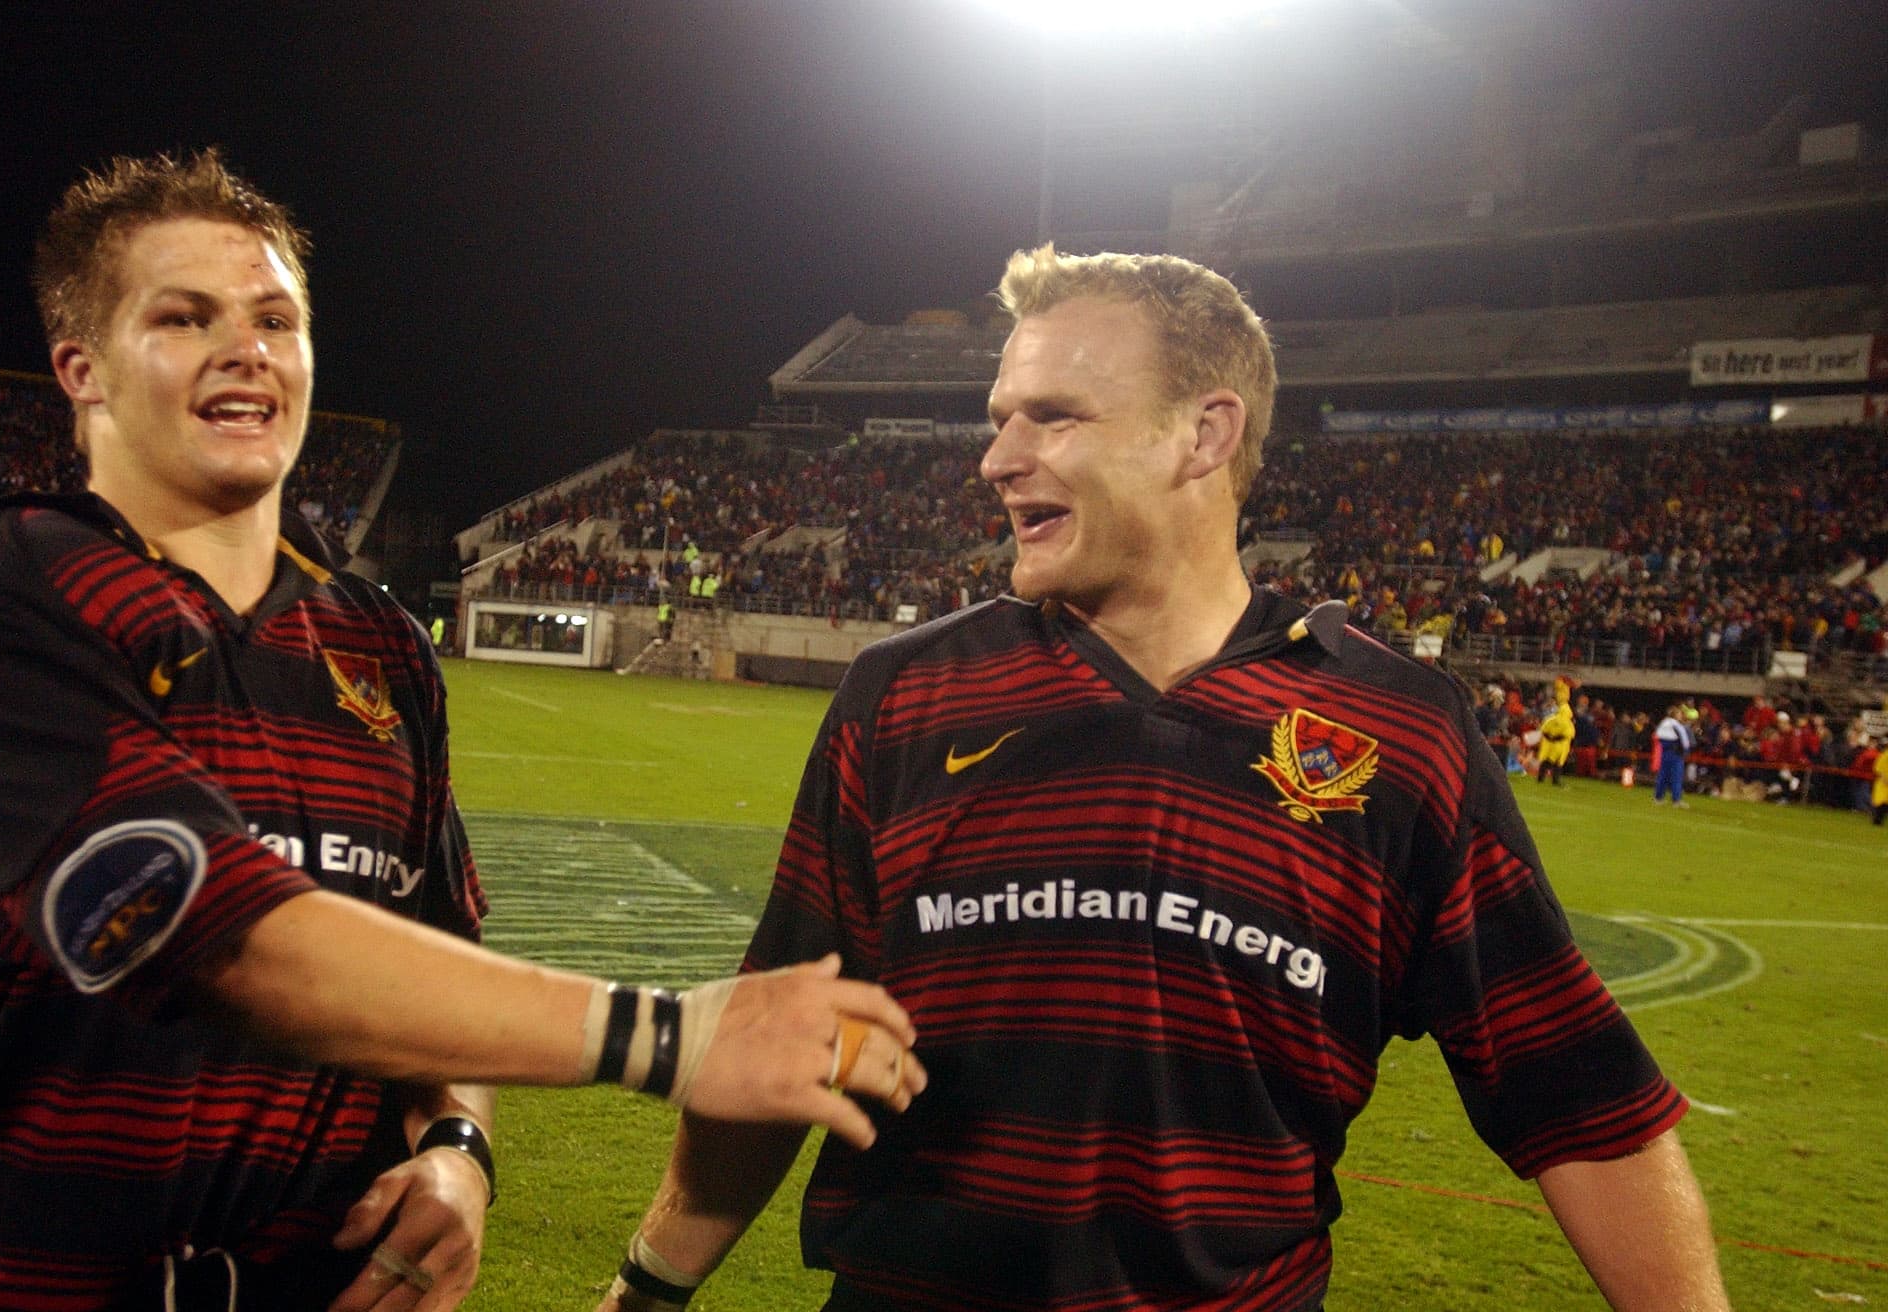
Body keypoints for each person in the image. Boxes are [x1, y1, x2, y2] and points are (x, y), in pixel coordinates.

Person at [0, 150, 923, 1311]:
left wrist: (457, 1146)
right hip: (7, 1285)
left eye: (275, 318)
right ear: (80, 369)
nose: (248, 349)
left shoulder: (377, 642)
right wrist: (665, 1035)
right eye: (184, 317)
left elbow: (438, 952)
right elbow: (206, 938)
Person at [601, 247, 1728, 1311]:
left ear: (1202, 434)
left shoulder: (1397, 732)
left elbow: (1579, 1104)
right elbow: (777, 1038)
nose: (995, 459)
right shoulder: (903, 698)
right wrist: (648, 1284)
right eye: (999, 420)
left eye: (1052, 416)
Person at [1536, 677, 1576, 785]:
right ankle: (1548, 779)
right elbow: (1556, 721)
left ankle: (1549, 779)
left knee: (1555, 760)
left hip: (1556, 737)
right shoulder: (1561, 709)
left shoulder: (1561, 708)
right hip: (1556, 737)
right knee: (1553, 759)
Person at [1654, 703, 1695, 807]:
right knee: (1676, 776)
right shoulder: (1676, 725)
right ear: (1675, 715)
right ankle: (1676, 800)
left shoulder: (1663, 723)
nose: (1681, 715)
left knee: (1663, 776)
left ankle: (1658, 798)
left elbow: (1657, 736)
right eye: (1679, 713)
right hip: (1675, 753)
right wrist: (1686, 752)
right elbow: (1685, 741)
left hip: (1665, 752)